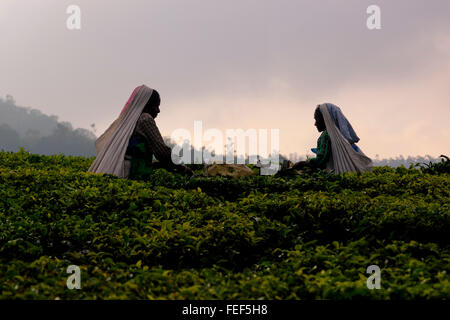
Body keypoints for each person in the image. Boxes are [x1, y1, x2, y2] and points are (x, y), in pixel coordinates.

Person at [88, 85, 192, 179]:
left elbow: (135, 156)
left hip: (118, 171)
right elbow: (162, 153)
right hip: (128, 175)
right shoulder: (145, 119)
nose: (158, 110)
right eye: (155, 106)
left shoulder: (129, 121)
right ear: (145, 105)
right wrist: (182, 168)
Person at [292, 103, 372, 174]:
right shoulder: (341, 139)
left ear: (325, 119)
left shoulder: (326, 136)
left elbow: (321, 160)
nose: (315, 124)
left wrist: (303, 164)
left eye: (317, 120)